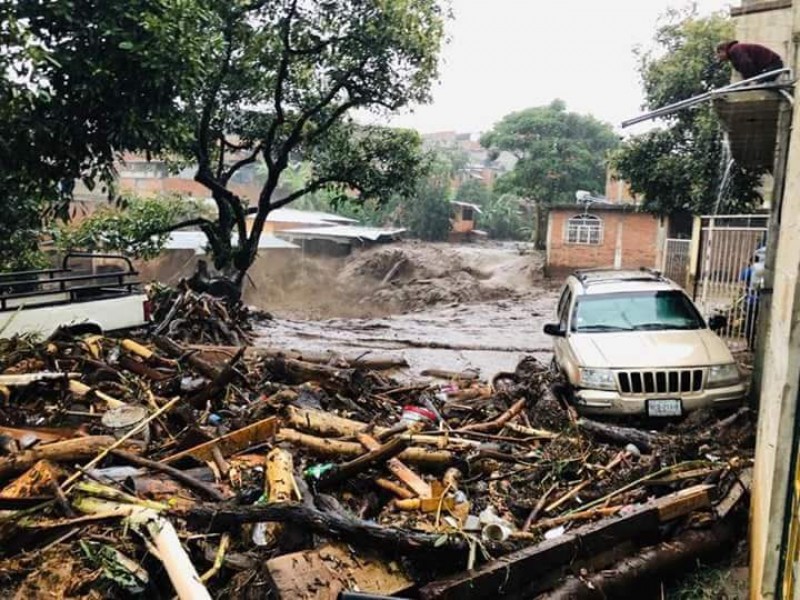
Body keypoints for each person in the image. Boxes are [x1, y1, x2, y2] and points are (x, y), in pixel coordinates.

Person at [716, 40, 784, 82]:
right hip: (768, 66)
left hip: (773, 64)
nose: (718, 57)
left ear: (722, 50)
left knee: (760, 85)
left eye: (718, 53)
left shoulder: (735, 49)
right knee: (760, 83)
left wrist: (748, 80)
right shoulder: (734, 55)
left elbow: (745, 63)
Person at [740, 250, 765, 350]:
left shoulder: (749, 270)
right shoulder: (763, 271)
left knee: (750, 322)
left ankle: (750, 344)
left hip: (751, 301)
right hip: (762, 301)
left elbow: (743, 285)